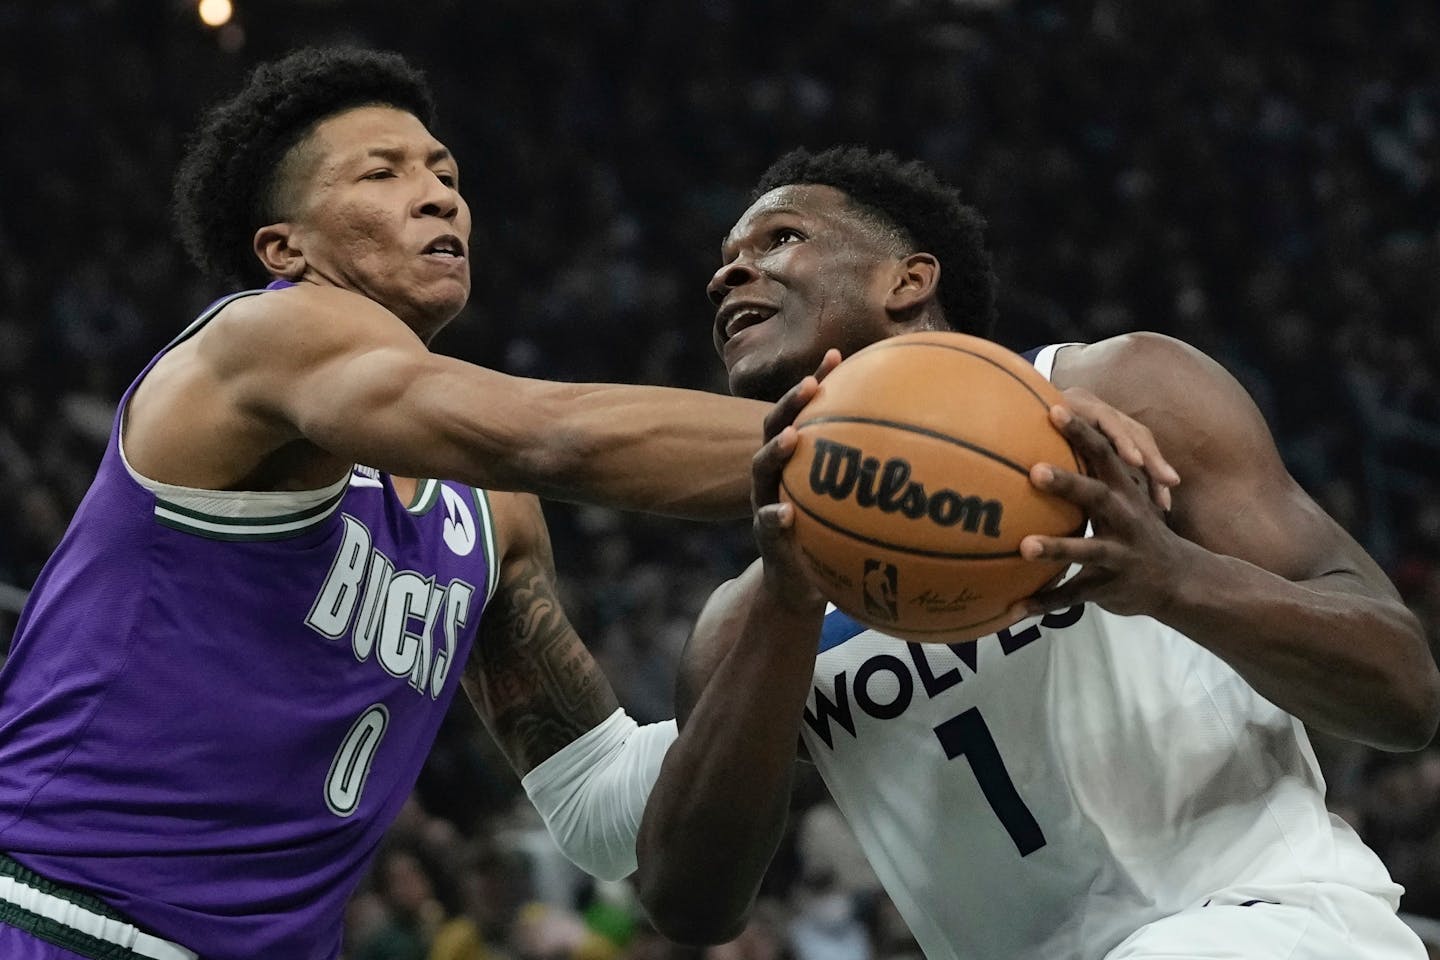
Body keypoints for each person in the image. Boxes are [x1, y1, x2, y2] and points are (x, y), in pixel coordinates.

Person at [0, 46, 764, 960]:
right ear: (287, 250)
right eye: (384, 172)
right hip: (55, 914)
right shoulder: (262, 339)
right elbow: (556, 432)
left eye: (445, 174)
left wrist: (813, 647)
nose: (440, 195)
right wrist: (863, 442)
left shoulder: (493, 511)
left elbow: (598, 802)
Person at [630, 147, 1440, 959]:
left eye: (778, 239)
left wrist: (1176, 580)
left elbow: (1404, 693)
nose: (726, 277)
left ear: (906, 281)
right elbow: (688, 905)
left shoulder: (1122, 395)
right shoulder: (750, 615)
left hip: (1271, 921)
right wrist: (788, 605)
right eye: (725, 262)